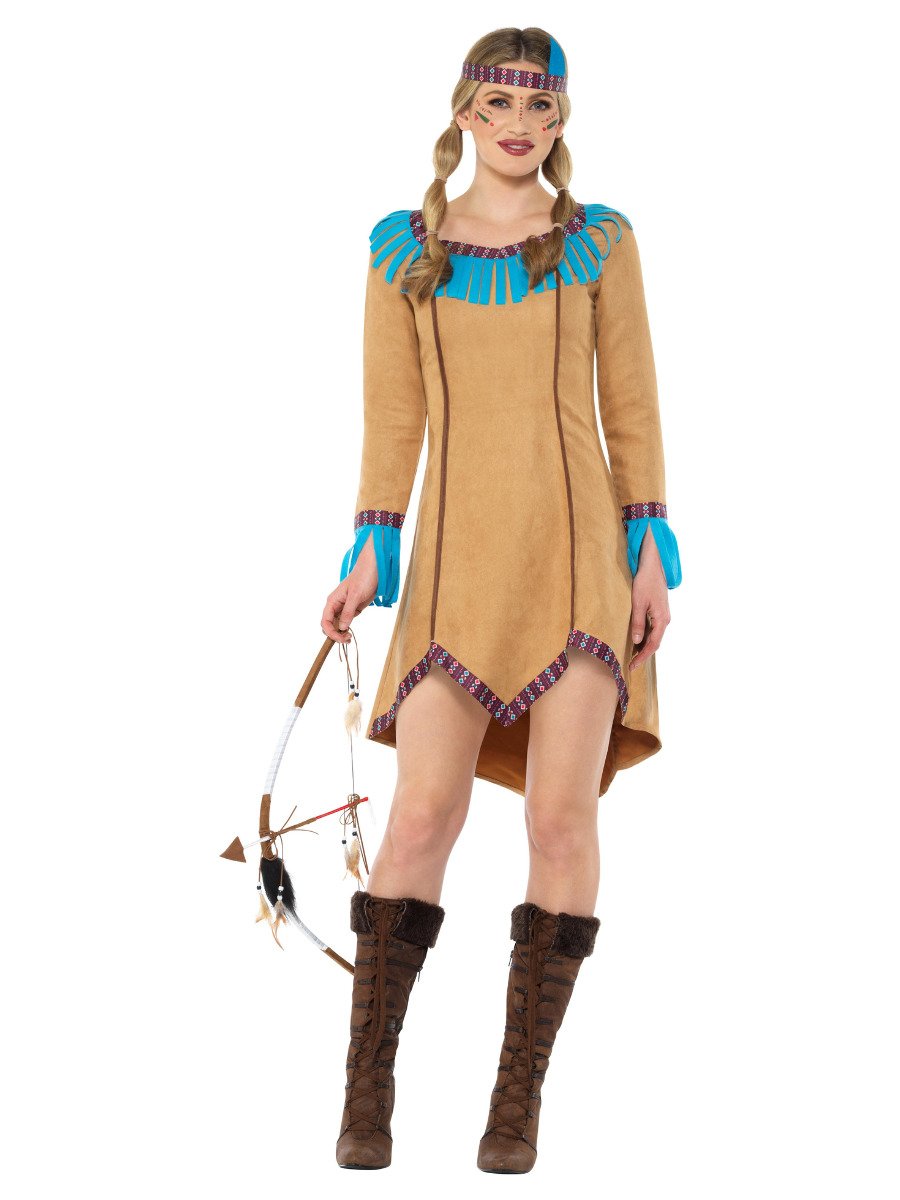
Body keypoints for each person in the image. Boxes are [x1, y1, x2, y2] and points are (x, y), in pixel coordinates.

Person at [321, 26, 682, 1173]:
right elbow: (393, 416)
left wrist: (650, 546)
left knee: (561, 821)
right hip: (454, 568)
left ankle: (515, 1097)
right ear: (464, 113)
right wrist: (370, 548)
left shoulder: (597, 244)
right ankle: (367, 1089)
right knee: (422, 814)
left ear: (560, 119)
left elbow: (632, 405)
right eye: (498, 104)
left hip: (578, 566)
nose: (520, 125)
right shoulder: (406, 251)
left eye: (539, 106)